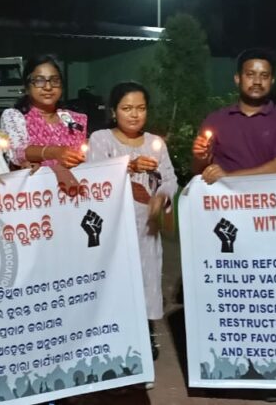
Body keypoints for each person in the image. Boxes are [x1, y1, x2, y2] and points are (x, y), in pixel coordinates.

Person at [87, 82, 178, 363]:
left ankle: (144, 338)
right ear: (114, 111)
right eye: (127, 108)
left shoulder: (155, 143)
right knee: (115, 281)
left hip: (145, 228)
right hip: (113, 229)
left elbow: (170, 179)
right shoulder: (101, 139)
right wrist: (129, 166)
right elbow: (94, 173)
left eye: (141, 108)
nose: (135, 114)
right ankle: (114, 339)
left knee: (146, 280)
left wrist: (161, 197)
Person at [192, 48, 276, 184]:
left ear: (272, 81)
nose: (257, 81)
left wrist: (229, 177)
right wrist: (200, 157)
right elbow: (198, 171)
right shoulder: (215, 120)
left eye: (264, 76)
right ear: (238, 79)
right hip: (224, 196)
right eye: (250, 75)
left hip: (267, 195)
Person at [0, 54, 86, 169]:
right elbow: (16, 152)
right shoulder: (15, 116)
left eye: (55, 80)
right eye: (39, 81)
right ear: (27, 86)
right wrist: (53, 152)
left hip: (72, 179)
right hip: (38, 180)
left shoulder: (67, 117)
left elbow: (80, 144)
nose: (48, 87)